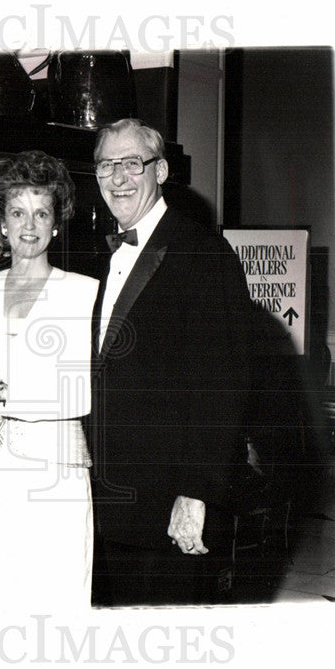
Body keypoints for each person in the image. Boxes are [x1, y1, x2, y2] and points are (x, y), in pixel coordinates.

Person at [89, 118, 256, 606]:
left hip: (168, 503)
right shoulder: (98, 258)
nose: (118, 177)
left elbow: (224, 384)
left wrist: (197, 492)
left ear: (160, 170)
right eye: (106, 165)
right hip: (110, 499)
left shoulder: (202, 251)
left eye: (131, 163)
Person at [0, 151, 98, 612]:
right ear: (0, 224)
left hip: (56, 464)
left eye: (41, 212)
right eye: (17, 212)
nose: (29, 225)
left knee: (58, 591)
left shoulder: (85, 291)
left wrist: (5, 390)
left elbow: (80, 385)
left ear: (57, 223)